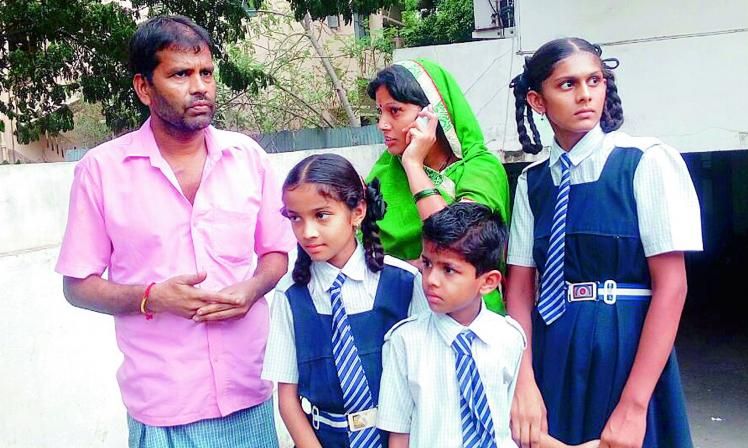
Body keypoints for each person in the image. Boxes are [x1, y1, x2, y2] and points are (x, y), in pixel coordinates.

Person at [55, 16, 293, 447]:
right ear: (144, 88)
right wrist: (152, 298)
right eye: (181, 74)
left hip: (248, 396)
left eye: (207, 73)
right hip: (162, 408)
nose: (200, 87)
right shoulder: (102, 171)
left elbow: (276, 253)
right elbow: (78, 286)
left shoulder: (248, 158)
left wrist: (252, 289)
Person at [505, 37, 703, 448]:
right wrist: (523, 383)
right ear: (537, 101)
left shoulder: (644, 161)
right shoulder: (532, 182)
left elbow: (672, 286)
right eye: (568, 84)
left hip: (625, 345)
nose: (585, 95)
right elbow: (520, 290)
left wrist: (634, 405)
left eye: (594, 81)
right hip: (553, 348)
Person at [377, 203, 599, 448]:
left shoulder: (510, 338)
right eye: (427, 264)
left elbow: (505, 423)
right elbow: (399, 434)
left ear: (488, 282)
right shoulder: (404, 341)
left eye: (448, 270)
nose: (431, 280)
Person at [263, 154, 429, 447]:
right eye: (296, 218)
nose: (307, 232)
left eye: (321, 215)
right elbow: (287, 399)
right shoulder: (290, 293)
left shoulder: (404, 282)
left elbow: (423, 382)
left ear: (358, 212)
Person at [365, 59, 510, 314]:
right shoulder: (383, 175)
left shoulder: (482, 169)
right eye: (380, 112)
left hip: (475, 318)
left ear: (433, 114)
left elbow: (456, 243)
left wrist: (413, 165)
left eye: (395, 111)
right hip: (401, 316)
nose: (382, 124)